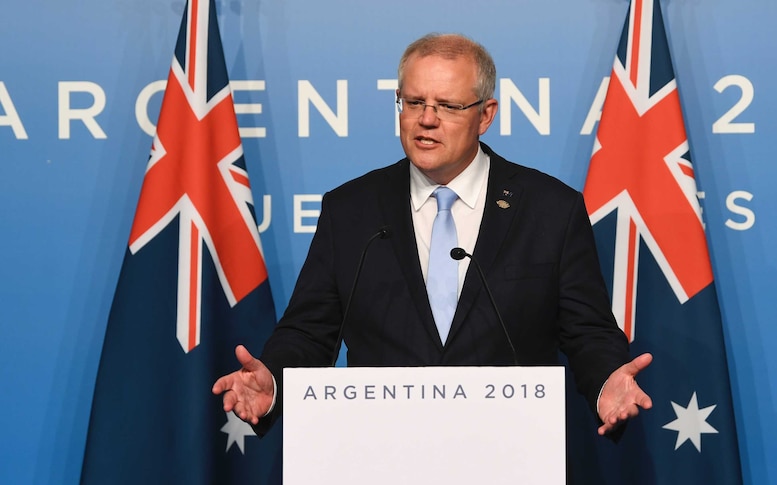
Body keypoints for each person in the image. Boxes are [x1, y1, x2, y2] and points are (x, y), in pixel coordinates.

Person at [213, 32, 652, 439]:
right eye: (413, 102)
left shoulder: (550, 210)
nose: (426, 120)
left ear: (486, 115)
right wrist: (273, 378)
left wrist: (606, 381)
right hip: (380, 452)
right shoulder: (351, 210)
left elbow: (587, 331)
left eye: (448, 105)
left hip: (509, 451)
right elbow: (310, 332)